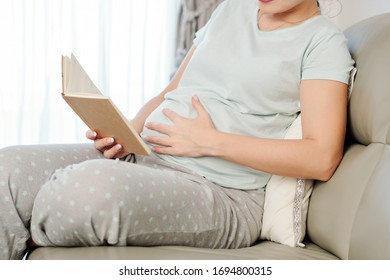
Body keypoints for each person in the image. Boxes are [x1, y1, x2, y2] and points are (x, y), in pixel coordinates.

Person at [0, 0, 354, 259]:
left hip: (223, 192)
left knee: (83, 190)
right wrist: (128, 134)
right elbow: (171, 93)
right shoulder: (230, 9)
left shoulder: (322, 42)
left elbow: (320, 157)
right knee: (8, 168)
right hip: (147, 156)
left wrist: (211, 142)